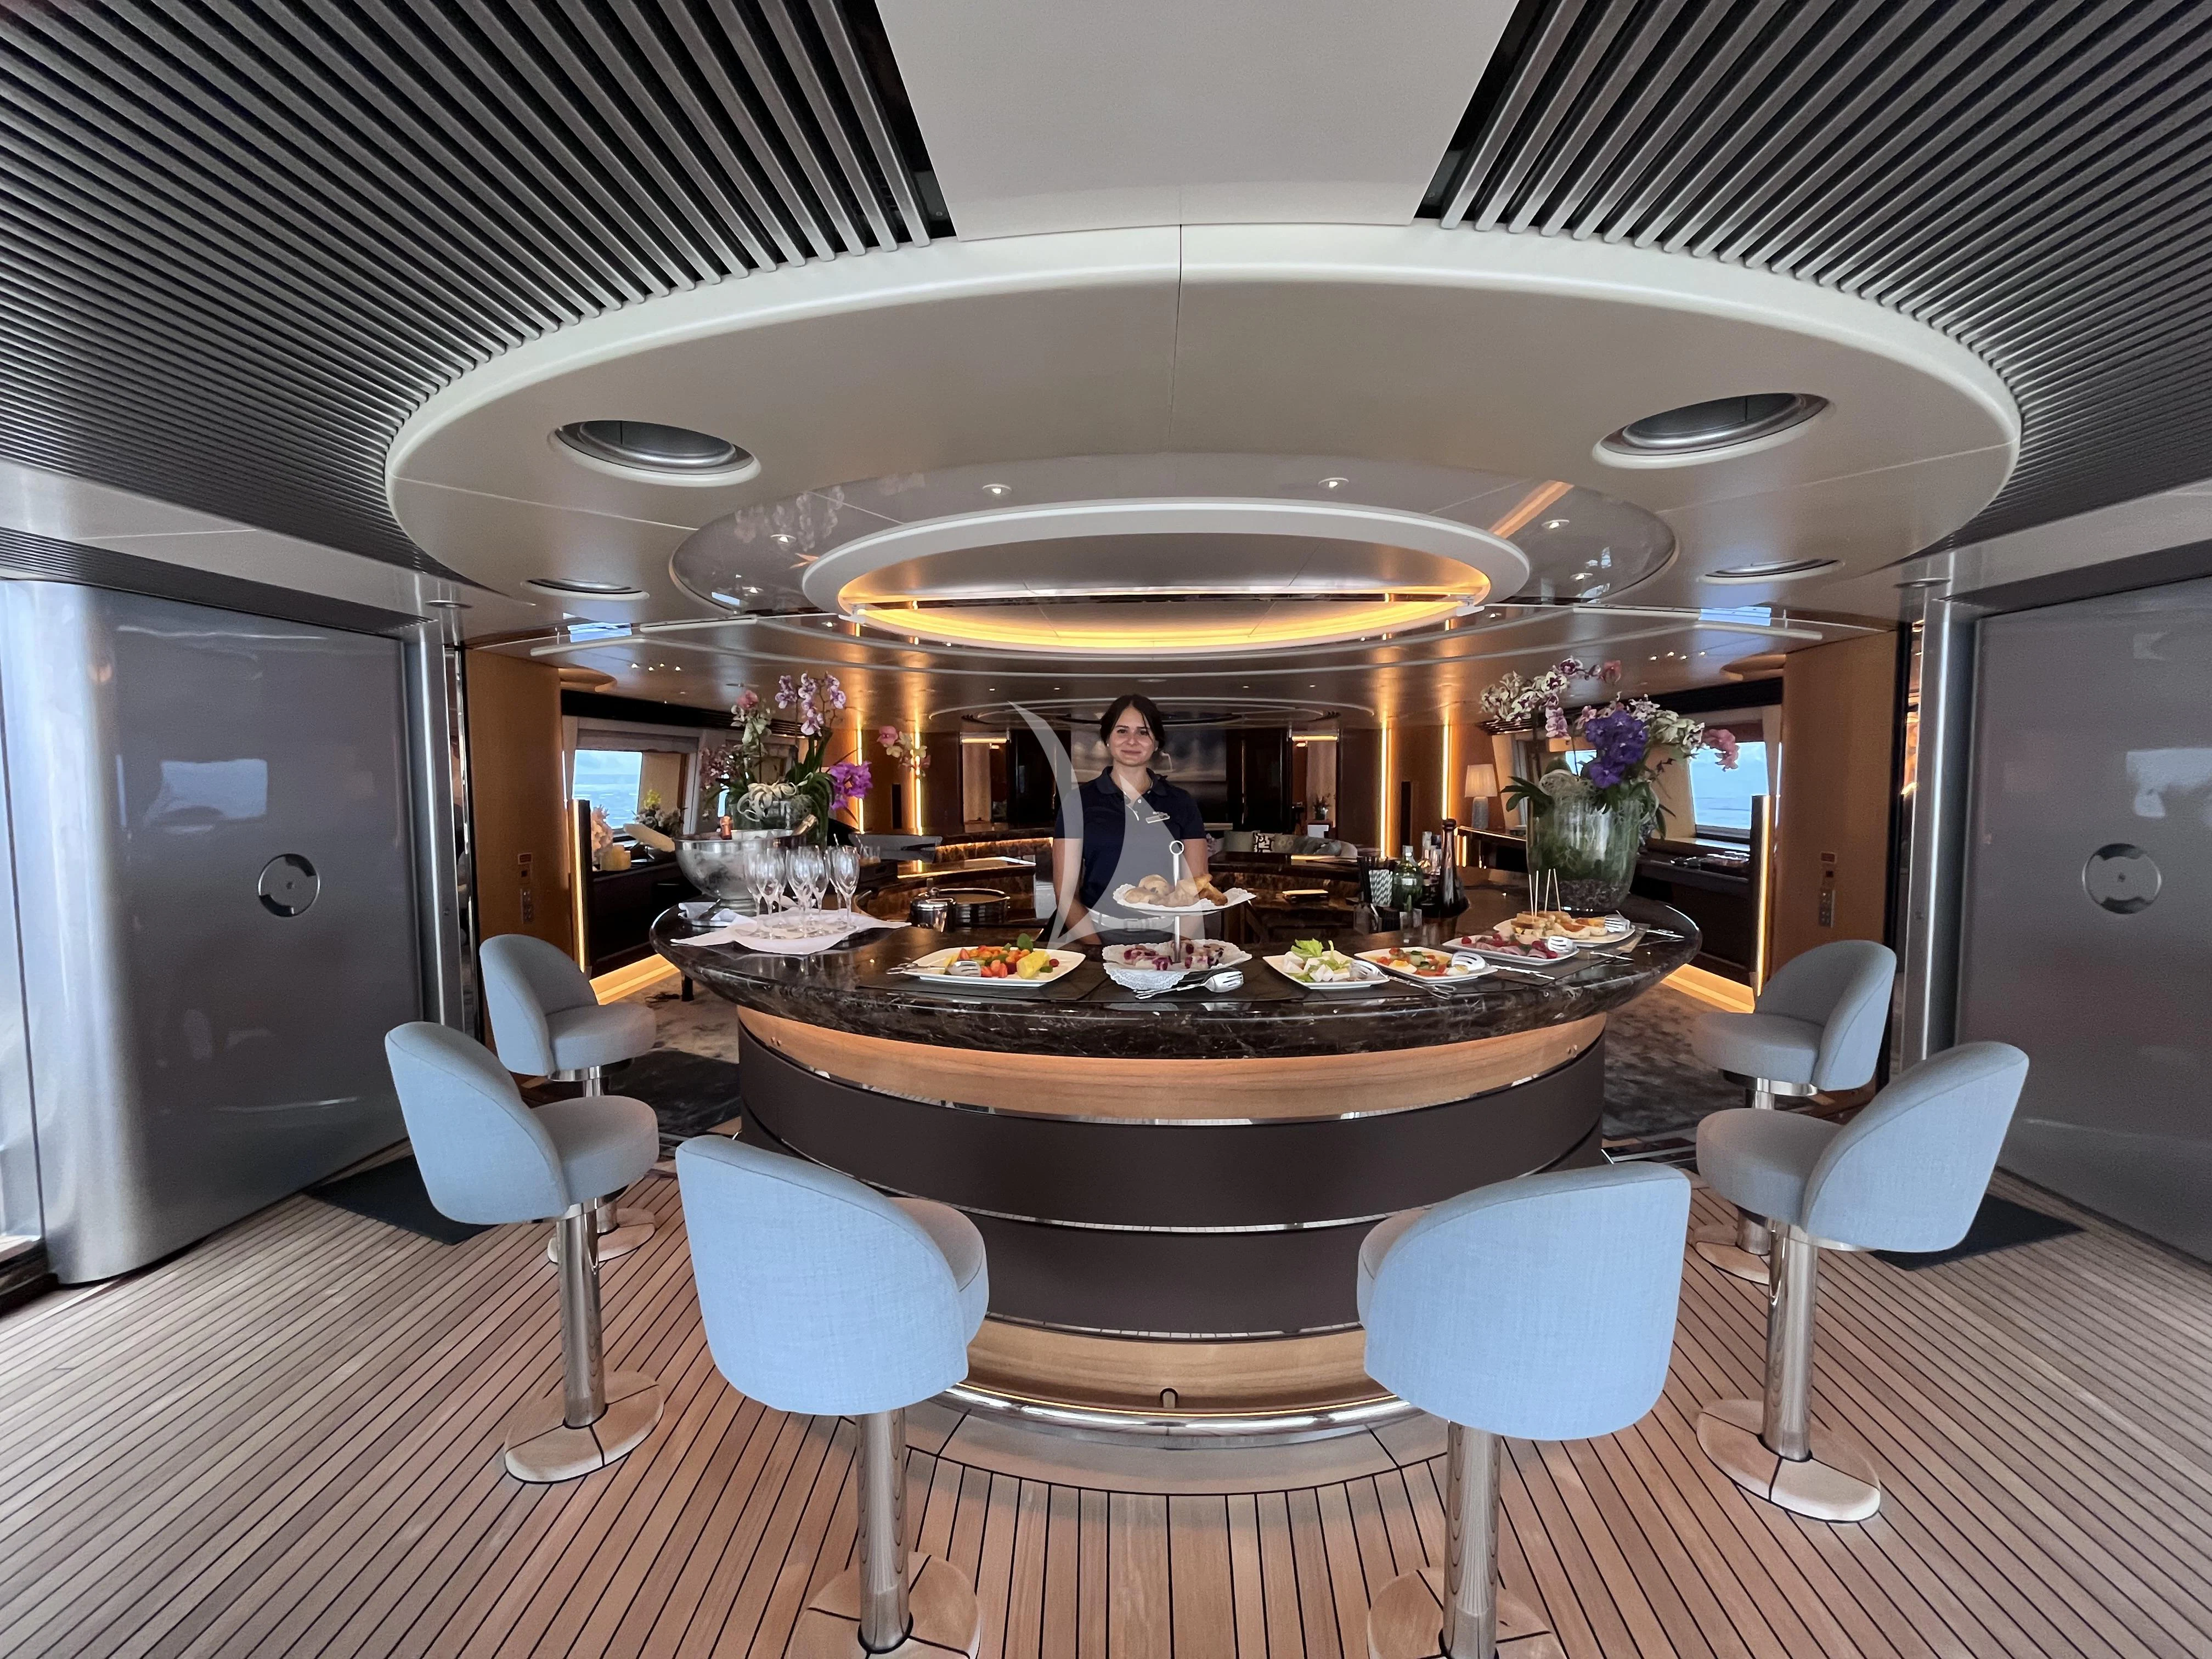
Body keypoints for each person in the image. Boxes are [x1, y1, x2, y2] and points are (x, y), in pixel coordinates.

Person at [1052, 694, 1211, 940]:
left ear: (1156, 742)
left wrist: (1179, 947)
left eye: (1143, 732)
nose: (1132, 741)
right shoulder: (1078, 803)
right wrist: (1097, 949)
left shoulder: (1181, 802)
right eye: (1122, 731)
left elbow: (1197, 887)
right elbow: (1065, 895)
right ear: (1108, 739)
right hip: (1097, 934)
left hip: (1169, 934)